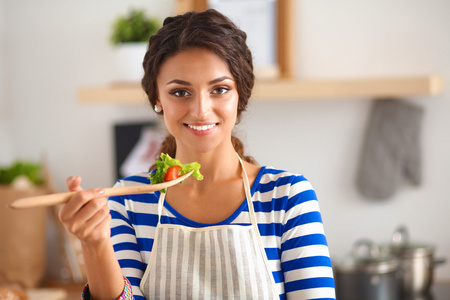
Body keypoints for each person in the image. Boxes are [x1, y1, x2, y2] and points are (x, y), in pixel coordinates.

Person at [59, 9, 336, 300]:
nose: (201, 110)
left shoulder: (287, 196)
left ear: (240, 94)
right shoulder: (127, 200)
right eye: (180, 92)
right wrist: (95, 245)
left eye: (219, 89)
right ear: (157, 98)